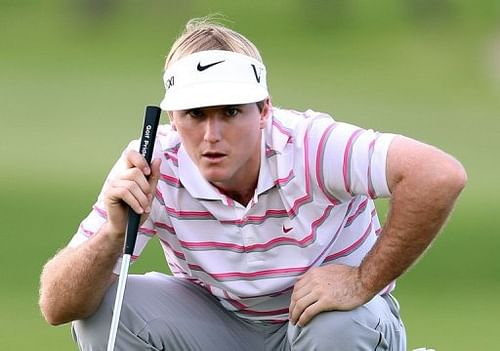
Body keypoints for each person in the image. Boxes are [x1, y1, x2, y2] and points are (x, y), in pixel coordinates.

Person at [39, 18, 467, 351]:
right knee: (103, 307)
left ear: (263, 110)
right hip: (225, 323)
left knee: (333, 323)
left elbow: (437, 175)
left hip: (332, 325)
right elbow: (57, 306)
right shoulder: (152, 164)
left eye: (230, 112)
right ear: (173, 118)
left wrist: (362, 279)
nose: (211, 135)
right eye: (195, 114)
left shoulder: (311, 145)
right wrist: (114, 234)